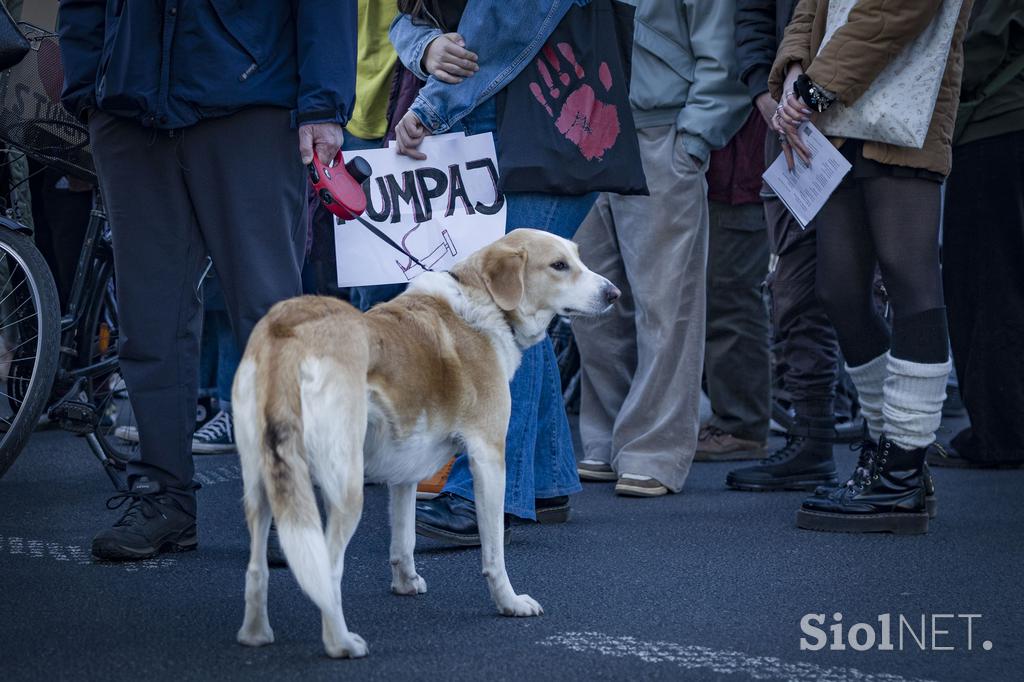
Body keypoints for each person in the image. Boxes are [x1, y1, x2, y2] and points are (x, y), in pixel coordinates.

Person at [59, 0, 357, 560]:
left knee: (269, 319)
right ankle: (162, 496)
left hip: (251, 103)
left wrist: (323, 102)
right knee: (149, 322)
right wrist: (88, 88)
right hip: (129, 109)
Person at [389, 0, 600, 541]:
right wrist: (424, 47)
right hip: (484, 125)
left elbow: (504, 23)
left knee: (509, 314)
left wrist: (429, 106)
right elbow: (400, 20)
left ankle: (478, 493)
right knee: (515, 311)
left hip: (544, 130)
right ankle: (545, 479)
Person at [768, 0, 973, 533]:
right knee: (838, 289)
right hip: (837, 111)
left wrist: (814, 85)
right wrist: (795, 70)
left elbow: (898, 8)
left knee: (911, 279)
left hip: (899, 109)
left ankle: (901, 469)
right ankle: (893, 455)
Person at [573, 0, 749, 497]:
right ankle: (606, 439)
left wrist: (695, 138)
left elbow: (722, 49)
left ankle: (654, 450)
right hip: (583, 122)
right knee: (589, 302)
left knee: (665, 303)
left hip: (659, 128)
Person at [727, 0, 842, 490]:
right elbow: (753, 19)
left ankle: (894, 445)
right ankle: (812, 437)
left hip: (858, 116)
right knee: (793, 289)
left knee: (863, 289)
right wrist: (766, 94)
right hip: (786, 120)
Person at [933, 0, 1024, 469]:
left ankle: (1001, 431)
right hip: (1001, 119)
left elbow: (979, 44)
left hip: (995, 122)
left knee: (984, 282)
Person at [695, 110, 772, 463]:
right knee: (727, 299)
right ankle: (736, 421)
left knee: (731, 300)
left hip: (740, 177)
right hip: (729, 173)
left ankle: (741, 426)